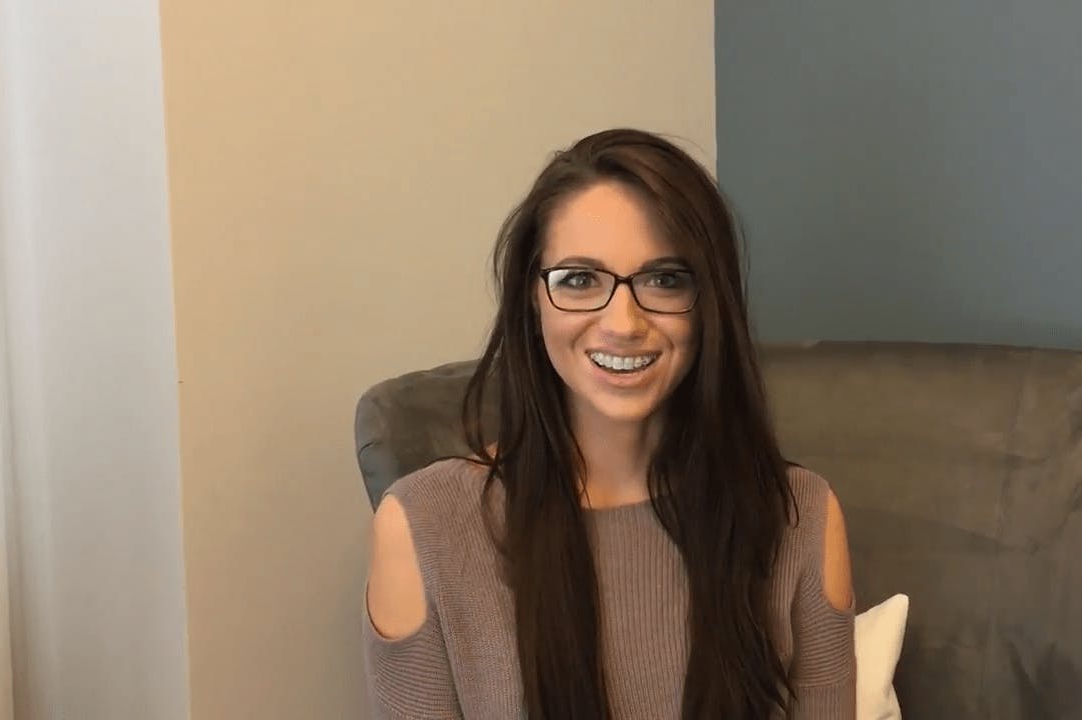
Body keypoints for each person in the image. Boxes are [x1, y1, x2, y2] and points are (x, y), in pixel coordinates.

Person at [363, 128, 855, 719]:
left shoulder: (799, 514)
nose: (623, 322)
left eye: (664, 279)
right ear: (533, 297)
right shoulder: (424, 525)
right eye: (579, 279)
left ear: (710, 303)